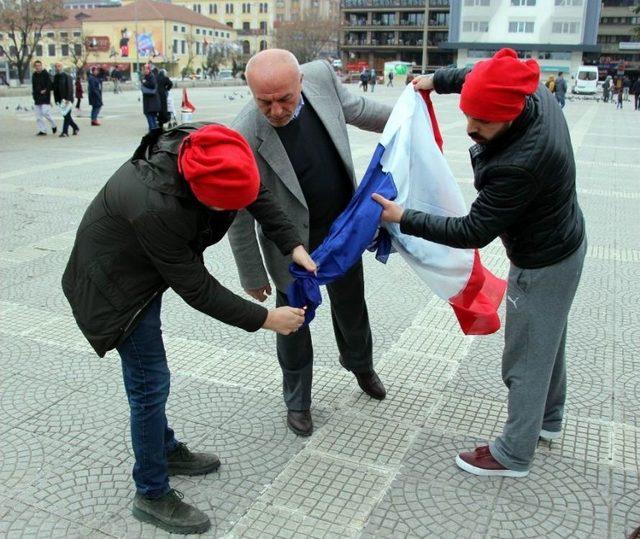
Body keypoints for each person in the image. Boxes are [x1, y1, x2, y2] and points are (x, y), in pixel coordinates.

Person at [62, 123, 316, 534]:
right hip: (116, 287)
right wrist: (268, 319)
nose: (233, 212)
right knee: (149, 384)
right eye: (224, 209)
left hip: (144, 269)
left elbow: (256, 195)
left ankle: (164, 450)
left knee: (152, 379)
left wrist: (293, 244)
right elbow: (197, 289)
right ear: (201, 195)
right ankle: (151, 491)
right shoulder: (154, 207)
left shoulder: (219, 148)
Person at [373, 48, 586, 478]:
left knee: (525, 357)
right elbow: (473, 76)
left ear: (509, 116)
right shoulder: (529, 92)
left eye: (483, 123)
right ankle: (549, 419)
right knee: (548, 342)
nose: (470, 128)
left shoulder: (524, 161)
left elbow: (473, 231)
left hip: (544, 261)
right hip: (564, 241)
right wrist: (435, 80)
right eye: (469, 115)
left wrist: (403, 217)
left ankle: (513, 454)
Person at [228, 50, 392, 437]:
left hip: (342, 232)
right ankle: (298, 400)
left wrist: (409, 116)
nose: (276, 109)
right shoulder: (243, 135)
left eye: (285, 98)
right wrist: (251, 272)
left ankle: (361, 365)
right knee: (292, 323)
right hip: (290, 248)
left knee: (352, 306)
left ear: (300, 81)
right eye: (264, 101)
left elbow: (360, 108)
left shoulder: (320, 77)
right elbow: (239, 213)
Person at [53, 63, 80, 137]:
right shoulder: (55, 77)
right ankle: (75, 128)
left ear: (62, 67)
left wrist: (68, 99)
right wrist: (56, 100)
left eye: (59, 66)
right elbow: (55, 89)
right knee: (66, 116)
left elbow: (70, 88)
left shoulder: (67, 76)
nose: (57, 68)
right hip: (59, 100)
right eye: (56, 66)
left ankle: (65, 132)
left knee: (67, 115)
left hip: (67, 99)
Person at [31, 60, 57, 136]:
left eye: (39, 65)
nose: (38, 67)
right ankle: (42, 130)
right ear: (34, 67)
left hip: (45, 97)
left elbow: (50, 85)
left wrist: (45, 90)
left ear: (41, 66)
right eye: (36, 66)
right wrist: (34, 95)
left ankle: (53, 124)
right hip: (37, 97)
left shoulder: (46, 74)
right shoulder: (34, 75)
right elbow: (34, 86)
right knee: (38, 116)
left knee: (45, 113)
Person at [141, 64, 161, 132]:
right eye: (144, 69)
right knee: (150, 115)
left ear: (149, 70)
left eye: (146, 69)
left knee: (149, 115)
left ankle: (153, 131)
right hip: (150, 101)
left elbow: (152, 85)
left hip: (151, 101)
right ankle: (154, 131)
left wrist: (144, 82)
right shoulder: (146, 76)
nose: (144, 70)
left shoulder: (151, 76)